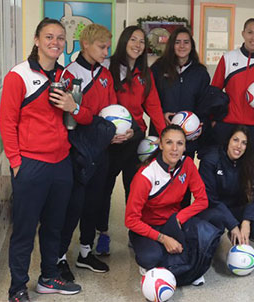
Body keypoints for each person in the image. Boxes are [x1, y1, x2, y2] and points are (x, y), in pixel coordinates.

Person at [0, 18, 82, 301]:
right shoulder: (18, 75)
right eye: (49, 37)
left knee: (54, 226)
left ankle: (48, 277)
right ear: (36, 40)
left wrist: (74, 106)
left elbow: (78, 118)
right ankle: (17, 288)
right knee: (24, 229)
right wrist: (16, 162)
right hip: (30, 164)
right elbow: (7, 122)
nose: (55, 42)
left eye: (60, 38)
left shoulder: (66, 76)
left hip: (61, 163)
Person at [94, 25, 168, 256]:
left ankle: (135, 233)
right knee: (104, 188)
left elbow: (153, 105)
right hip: (110, 138)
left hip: (135, 138)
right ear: (124, 41)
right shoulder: (108, 67)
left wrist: (165, 135)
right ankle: (102, 233)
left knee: (135, 189)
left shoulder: (145, 74)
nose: (138, 45)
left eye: (142, 42)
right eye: (133, 40)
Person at [57, 23, 122, 281]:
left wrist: (119, 129)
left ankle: (85, 252)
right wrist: (92, 120)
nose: (106, 51)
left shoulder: (106, 75)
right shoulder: (68, 74)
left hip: (101, 148)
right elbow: (69, 114)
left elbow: (111, 110)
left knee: (94, 203)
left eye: (108, 46)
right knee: (73, 205)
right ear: (85, 44)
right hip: (77, 149)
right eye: (101, 46)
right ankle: (60, 257)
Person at [125, 125, 222, 286]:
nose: (175, 149)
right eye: (169, 142)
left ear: (185, 146)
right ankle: (147, 252)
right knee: (151, 258)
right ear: (161, 145)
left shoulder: (188, 164)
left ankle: (173, 266)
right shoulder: (145, 175)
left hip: (173, 221)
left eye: (180, 143)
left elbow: (202, 200)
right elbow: (130, 220)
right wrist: (163, 239)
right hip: (147, 227)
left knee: (204, 238)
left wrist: (179, 217)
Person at [211, 18, 254, 181]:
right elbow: (213, 92)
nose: (253, 38)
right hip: (228, 124)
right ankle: (223, 206)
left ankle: (251, 205)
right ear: (243, 34)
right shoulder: (228, 58)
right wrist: (213, 120)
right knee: (224, 171)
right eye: (250, 32)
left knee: (253, 172)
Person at [198, 125, 254, 245]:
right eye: (235, 140)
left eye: (244, 143)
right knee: (215, 225)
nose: (239, 146)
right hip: (215, 207)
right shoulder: (210, 160)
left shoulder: (252, 163)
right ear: (228, 140)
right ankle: (219, 236)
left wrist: (246, 221)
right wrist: (233, 225)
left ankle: (239, 232)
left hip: (237, 206)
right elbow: (209, 198)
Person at [150, 26, 209, 157]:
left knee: (182, 175)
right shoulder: (158, 69)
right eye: (177, 42)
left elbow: (204, 104)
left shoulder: (200, 72)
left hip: (187, 136)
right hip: (162, 132)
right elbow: (149, 100)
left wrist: (199, 125)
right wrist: (161, 115)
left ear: (191, 46)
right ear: (171, 45)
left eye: (186, 42)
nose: (182, 46)